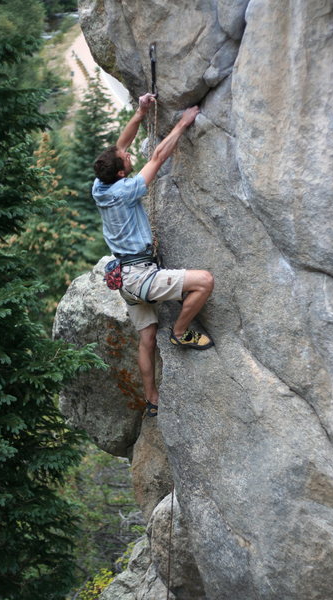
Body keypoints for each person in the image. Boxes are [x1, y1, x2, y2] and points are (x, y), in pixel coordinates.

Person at [92, 93, 214, 416]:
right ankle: (179, 332)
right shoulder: (126, 191)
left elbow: (121, 145)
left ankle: (152, 399)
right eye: (127, 160)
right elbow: (158, 157)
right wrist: (183, 124)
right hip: (143, 276)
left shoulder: (100, 187)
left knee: (146, 339)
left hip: (126, 281)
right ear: (121, 174)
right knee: (204, 282)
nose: (129, 154)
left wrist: (141, 111)